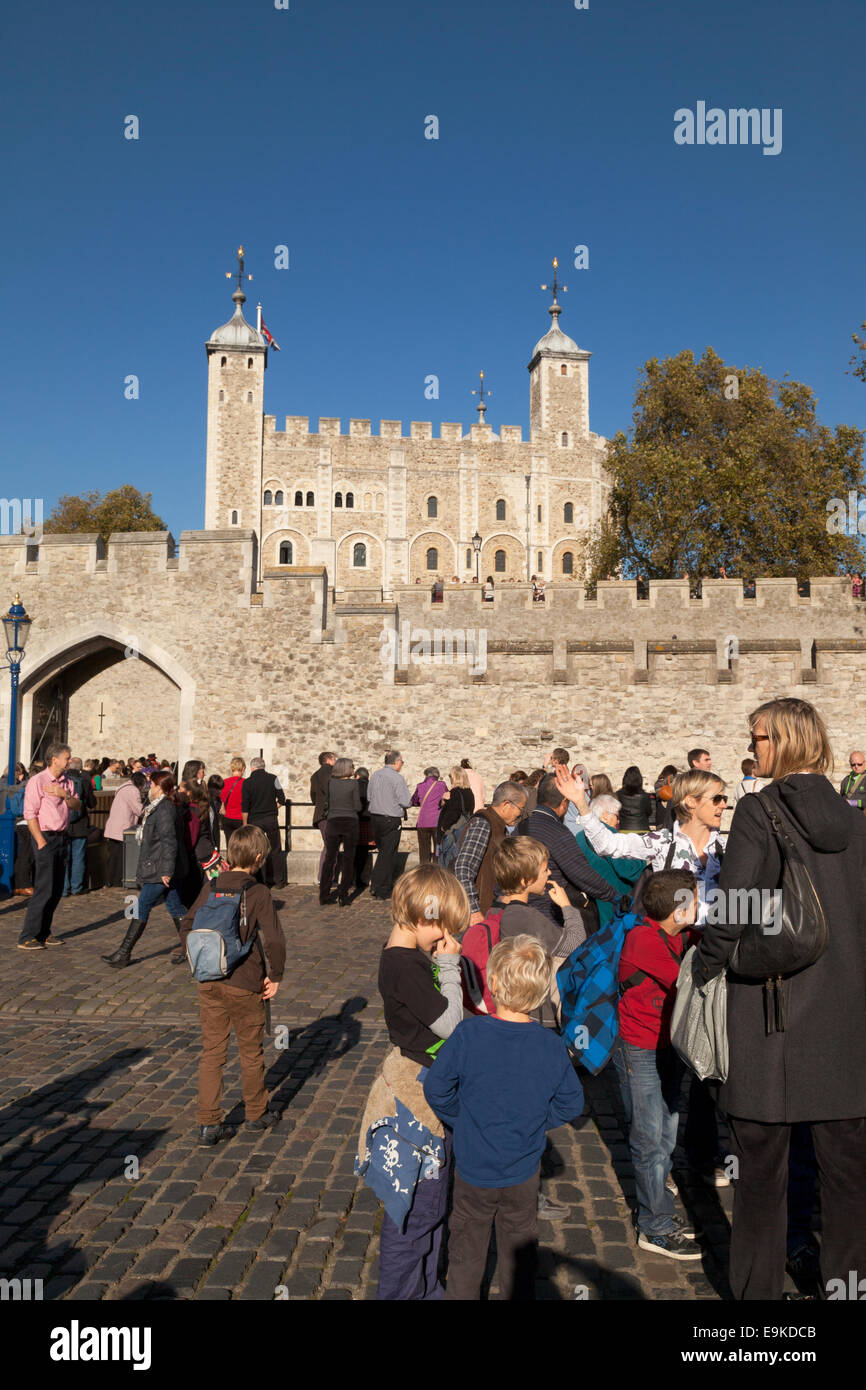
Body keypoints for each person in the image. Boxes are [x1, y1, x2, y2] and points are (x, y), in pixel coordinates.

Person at [693, 698, 866, 1301]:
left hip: (773, 1022)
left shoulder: (757, 811)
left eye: (760, 737)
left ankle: (758, 1310)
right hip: (845, 1027)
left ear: (787, 742)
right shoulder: (857, 819)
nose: (753, 747)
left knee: (761, 1182)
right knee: (847, 1185)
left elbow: (735, 904)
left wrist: (705, 965)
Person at [556, 762, 730, 1186]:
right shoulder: (661, 842)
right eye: (718, 798)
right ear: (690, 803)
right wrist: (581, 804)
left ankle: (703, 1150)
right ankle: (656, 1153)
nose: (725, 806)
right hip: (666, 950)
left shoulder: (732, 844)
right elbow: (611, 846)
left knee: (711, 1054)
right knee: (662, 1044)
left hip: (715, 951)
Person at [423, 935, 584, 1300]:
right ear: (543, 993)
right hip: (523, 1172)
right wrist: (537, 1119)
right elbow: (572, 1103)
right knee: (518, 1251)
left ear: (492, 983)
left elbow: (436, 1089)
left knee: (466, 1250)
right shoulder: (550, 1045)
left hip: (473, 1168)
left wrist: (462, 1118)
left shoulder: (468, 1034)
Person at [364, 865, 467, 1300]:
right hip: (416, 1101)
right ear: (427, 916)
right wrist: (448, 964)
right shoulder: (407, 963)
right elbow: (452, 1022)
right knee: (418, 1209)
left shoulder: (403, 957)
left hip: (422, 1084)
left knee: (427, 1207)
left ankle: (427, 1290)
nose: (444, 938)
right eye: (443, 927)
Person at [614, 870, 703, 1260]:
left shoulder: (678, 935)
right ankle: (655, 1226)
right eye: (696, 901)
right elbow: (689, 981)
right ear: (678, 908)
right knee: (650, 1140)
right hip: (641, 1049)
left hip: (667, 1047)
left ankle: (657, 1203)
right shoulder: (644, 940)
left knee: (667, 1132)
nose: (700, 908)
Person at [180, 824, 286, 1145]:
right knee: (250, 1052)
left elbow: (186, 924)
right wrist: (276, 975)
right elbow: (274, 940)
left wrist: (205, 959)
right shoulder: (258, 893)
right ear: (258, 857)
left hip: (209, 981)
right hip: (245, 981)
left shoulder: (211, 886)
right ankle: (256, 1112)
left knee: (212, 1052)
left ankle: (208, 1124)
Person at [102, 771, 190, 969]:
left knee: (142, 906)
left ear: (160, 787)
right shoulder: (158, 807)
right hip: (163, 865)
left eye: (152, 785)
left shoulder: (165, 809)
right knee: (175, 907)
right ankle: (191, 949)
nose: (149, 788)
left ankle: (124, 953)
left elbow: (169, 841)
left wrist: (166, 870)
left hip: (161, 868)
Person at [517, 773, 621, 932]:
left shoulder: (520, 827)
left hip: (519, 909)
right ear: (564, 802)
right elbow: (582, 874)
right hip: (550, 915)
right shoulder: (557, 832)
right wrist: (616, 897)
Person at [17, 743, 81, 951]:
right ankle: (28, 935)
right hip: (45, 837)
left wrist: (64, 795)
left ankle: (44, 932)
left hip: (62, 836)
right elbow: (30, 813)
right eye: (67, 758)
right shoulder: (38, 781)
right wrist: (41, 842)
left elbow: (77, 805)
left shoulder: (67, 782)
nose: (69, 761)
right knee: (44, 888)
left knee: (56, 889)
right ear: (55, 759)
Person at [454, 781, 528, 924]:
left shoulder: (498, 825)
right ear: (507, 804)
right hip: (476, 914)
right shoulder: (483, 823)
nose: (521, 815)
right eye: (521, 809)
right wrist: (474, 911)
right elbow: (463, 868)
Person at [367, 751, 412, 899]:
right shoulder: (397, 778)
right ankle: (382, 889)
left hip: (375, 818)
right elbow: (406, 801)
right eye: (402, 762)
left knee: (383, 852)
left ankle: (375, 885)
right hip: (390, 819)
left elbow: (369, 796)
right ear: (397, 762)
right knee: (388, 854)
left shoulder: (375, 776)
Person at [320, 757, 361, 907]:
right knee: (348, 860)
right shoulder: (353, 783)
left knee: (330, 859)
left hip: (333, 821)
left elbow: (327, 802)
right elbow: (357, 806)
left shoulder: (331, 783)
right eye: (352, 766)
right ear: (347, 769)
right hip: (349, 821)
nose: (353, 769)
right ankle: (343, 895)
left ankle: (324, 895)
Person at [241, 757, 287, 890]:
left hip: (255, 820)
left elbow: (245, 805)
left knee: (258, 850)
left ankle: (262, 881)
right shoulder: (274, 778)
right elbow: (282, 799)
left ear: (252, 767)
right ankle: (279, 880)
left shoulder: (247, 783)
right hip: (271, 818)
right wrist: (273, 808)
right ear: (264, 766)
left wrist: (245, 824)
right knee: (276, 848)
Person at [103, 771, 148, 886]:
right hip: (122, 827)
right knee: (121, 856)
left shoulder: (123, 787)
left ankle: (110, 880)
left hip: (114, 826)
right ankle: (117, 880)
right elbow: (139, 810)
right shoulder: (133, 790)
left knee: (114, 856)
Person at [62, 757, 96, 896]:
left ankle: (64, 889)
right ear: (80, 767)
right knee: (78, 857)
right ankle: (76, 887)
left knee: (64, 858)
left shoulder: (62, 780)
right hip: (80, 824)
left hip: (64, 823)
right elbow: (92, 803)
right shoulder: (84, 781)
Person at [411, 767, 448, 864]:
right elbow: (448, 798)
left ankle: (424, 873)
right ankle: (436, 873)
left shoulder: (420, 786)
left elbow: (414, 801)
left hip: (423, 822)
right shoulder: (442, 785)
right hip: (437, 822)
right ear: (437, 775)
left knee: (423, 851)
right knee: (438, 850)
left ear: (426, 775)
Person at [310, 751, 335, 890]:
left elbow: (313, 796)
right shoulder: (334, 773)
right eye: (334, 758)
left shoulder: (315, 775)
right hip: (331, 814)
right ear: (329, 759)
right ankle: (325, 878)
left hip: (320, 815)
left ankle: (324, 877)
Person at [437, 766, 475, 846]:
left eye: (450, 776)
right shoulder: (469, 792)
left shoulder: (455, 792)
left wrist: (444, 826)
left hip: (453, 831)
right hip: (464, 829)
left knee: (448, 856)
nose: (450, 778)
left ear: (455, 777)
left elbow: (454, 812)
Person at [615, 765, 655, 833]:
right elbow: (649, 812)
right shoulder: (645, 796)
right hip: (643, 829)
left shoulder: (618, 795)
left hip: (624, 829)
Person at [219, 757, 246, 848]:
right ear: (243, 769)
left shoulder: (224, 782)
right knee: (241, 845)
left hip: (227, 818)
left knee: (229, 844)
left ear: (231, 769)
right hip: (241, 819)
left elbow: (220, 800)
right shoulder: (246, 783)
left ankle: (230, 862)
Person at [653, 764, 679, 832]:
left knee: (663, 837)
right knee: (668, 836)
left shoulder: (657, 783)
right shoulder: (673, 782)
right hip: (669, 813)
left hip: (660, 813)